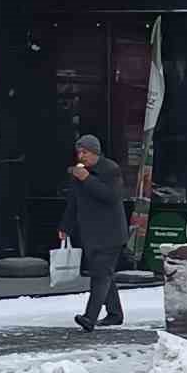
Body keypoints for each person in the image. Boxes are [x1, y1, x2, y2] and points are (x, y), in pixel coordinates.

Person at [59, 133, 129, 331]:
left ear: (95, 152)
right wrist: (65, 226)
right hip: (90, 233)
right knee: (105, 274)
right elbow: (73, 203)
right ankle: (115, 314)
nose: (81, 156)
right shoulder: (78, 174)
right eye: (79, 152)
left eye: (85, 152)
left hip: (111, 233)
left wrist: (88, 179)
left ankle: (90, 318)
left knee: (100, 275)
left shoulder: (111, 170)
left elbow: (111, 196)